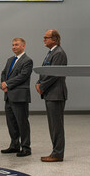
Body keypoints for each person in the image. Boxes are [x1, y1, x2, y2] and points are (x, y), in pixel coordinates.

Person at [36, 29, 68, 162]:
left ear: (54, 39)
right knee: (53, 125)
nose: (44, 39)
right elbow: (45, 71)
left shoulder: (59, 53)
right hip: (50, 94)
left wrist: (42, 86)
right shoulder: (51, 53)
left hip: (56, 94)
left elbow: (55, 74)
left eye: (46, 37)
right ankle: (55, 152)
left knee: (56, 126)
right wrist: (39, 82)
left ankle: (57, 154)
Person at [0, 37, 33, 157]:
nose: (14, 47)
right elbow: (4, 73)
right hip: (8, 95)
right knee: (11, 122)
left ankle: (26, 147)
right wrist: (3, 83)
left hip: (19, 96)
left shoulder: (27, 60)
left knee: (22, 122)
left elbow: (23, 76)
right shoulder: (10, 60)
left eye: (17, 45)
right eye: (13, 45)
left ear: (23, 46)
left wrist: (7, 84)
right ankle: (14, 145)